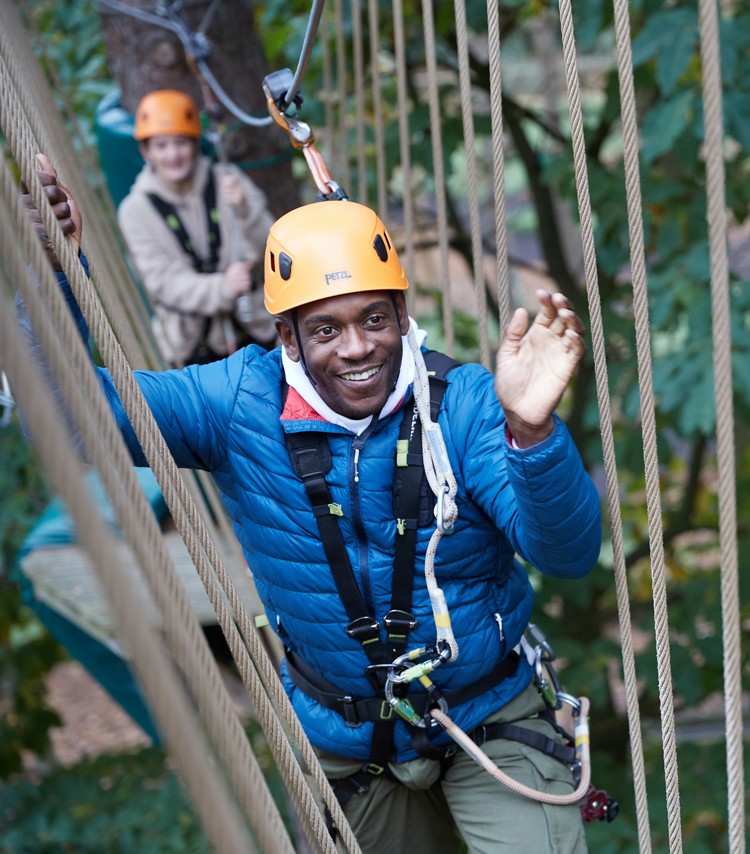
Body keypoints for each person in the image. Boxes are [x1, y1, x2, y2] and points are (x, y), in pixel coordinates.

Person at [23, 159, 602, 853]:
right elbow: (66, 415)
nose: (358, 347)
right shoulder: (240, 404)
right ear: (287, 336)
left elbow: (566, 554)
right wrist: (57, 278)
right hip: (348, 740)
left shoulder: (467, 405)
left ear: (402, 316)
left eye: (374, 319)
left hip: (487, 713)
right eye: (325, 330)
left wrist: (533, 434)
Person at [117, 89, 278, 366]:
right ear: (146, 152)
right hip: (190, 345)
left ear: (193, 144)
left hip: (254, 326)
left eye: (180, 143)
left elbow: (271, 244)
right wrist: (222, 288)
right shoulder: (135, 211)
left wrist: (244, 210)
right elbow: (161, 282)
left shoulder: (228, 181)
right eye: (161, 145)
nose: (173, 154)